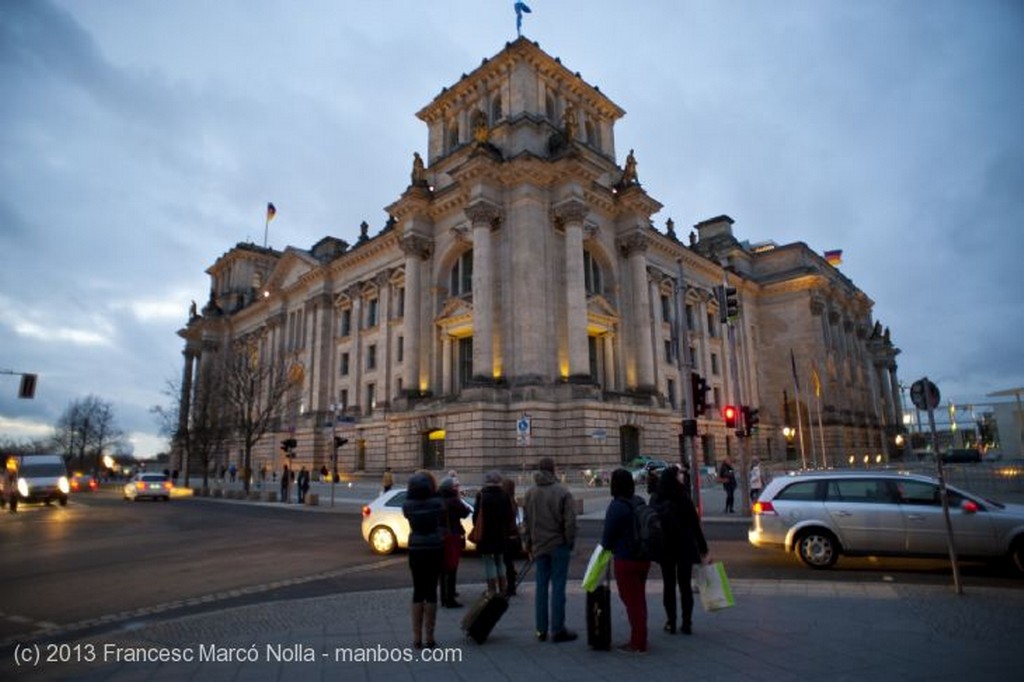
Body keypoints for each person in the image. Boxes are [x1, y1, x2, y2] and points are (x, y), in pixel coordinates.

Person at [522, 457, 578, 643]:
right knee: (558, 588)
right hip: (558, 545)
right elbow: (570, 522)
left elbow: (526, 522)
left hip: (539, 547)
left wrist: (528, 544)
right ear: (553, 470)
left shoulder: (530, 493)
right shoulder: (562, 492)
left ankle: (541, 630)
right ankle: (557, 629)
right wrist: (569, 542)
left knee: (541, 588)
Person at [654, 465, 709, 635]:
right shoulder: (683, 497)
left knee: (668, 585)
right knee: (685, 586)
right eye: (679, 474)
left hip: (665, 547)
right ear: (674, 477)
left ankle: (671, 622)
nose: (682, 476)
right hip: (684, 546)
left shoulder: (657, 498)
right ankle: (687, 623)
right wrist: (703, 548)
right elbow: (694, 525)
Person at [601, 468, 651, 654]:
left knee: (632, 601)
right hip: (643, 558)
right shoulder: (639, 501)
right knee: (639, 598)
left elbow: (607, 538)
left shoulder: (616, 506)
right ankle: (641, 635)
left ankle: (638, 642)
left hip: (626, 559)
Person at [402, 470, 444, 649]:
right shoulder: (436, 503)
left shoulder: (407, 506)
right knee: (432, 590)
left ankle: (416, 638)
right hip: (434, 547)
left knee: (417, 590)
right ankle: (430, 637)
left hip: (416, 548)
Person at [472, 471, 511, 596]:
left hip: (486, 534)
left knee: (488, 561)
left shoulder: (482, 495)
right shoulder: (505, 495)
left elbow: (476, 516)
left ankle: (492, 589)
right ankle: (503, 588)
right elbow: (509, 516)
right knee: (500, 559)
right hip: (500, 533)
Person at [438, 476, 469, 608]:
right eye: (455, 486)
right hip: (452, 536)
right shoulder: (453, 500)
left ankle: (444, 597)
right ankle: (450, 598)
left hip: (441, 536)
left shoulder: (438, 499)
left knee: (443, 568)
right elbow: (465, 513)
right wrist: (459, 498)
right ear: (450, 488)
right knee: (452, 567)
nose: (458, 488)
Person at [500, 477, 522, 596]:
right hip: (513, 535)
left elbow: (506, 519)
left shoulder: (506, 501)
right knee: (509, 562)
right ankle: (511, 583)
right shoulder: (513, 500)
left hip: (507, 535)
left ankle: (511, 587)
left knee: (507, 562)